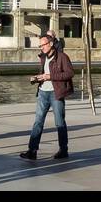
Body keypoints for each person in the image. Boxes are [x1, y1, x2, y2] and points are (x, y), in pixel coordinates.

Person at [21, 32, 74, 160]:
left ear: (50, 44)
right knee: (38, 122)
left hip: (56, 93)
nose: (41, 47)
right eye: (40, 45)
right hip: (43, 92)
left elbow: (70, 73)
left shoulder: (62, 57)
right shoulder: (43, 57)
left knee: (59, 122)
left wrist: (50, 77)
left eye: (43, 45)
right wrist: (37, 78)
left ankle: (63, 150)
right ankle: (32, 150)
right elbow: (44, 74)